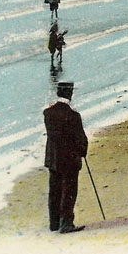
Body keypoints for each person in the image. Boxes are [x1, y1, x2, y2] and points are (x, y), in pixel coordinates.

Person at [44, 81, 88, 233]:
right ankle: (66, 223)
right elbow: (80, 138)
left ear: (58, 93)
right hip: (69, 159)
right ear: (70, 94)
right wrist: (83, 151)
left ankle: (54, 223)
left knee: (54, 190)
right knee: (68, 191)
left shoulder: (48, 113)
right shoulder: (73, 115)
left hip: (52, 158)